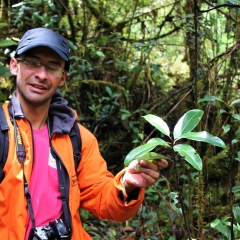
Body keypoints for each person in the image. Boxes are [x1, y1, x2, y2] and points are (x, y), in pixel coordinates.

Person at [0, 27, 168, 240]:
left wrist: (128, 185)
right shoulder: (3, 131)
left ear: (62, 78)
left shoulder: (77, 138)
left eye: (52, 67)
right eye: (32, 63)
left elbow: (101, 197)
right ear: (14, 66)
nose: (41, 75)